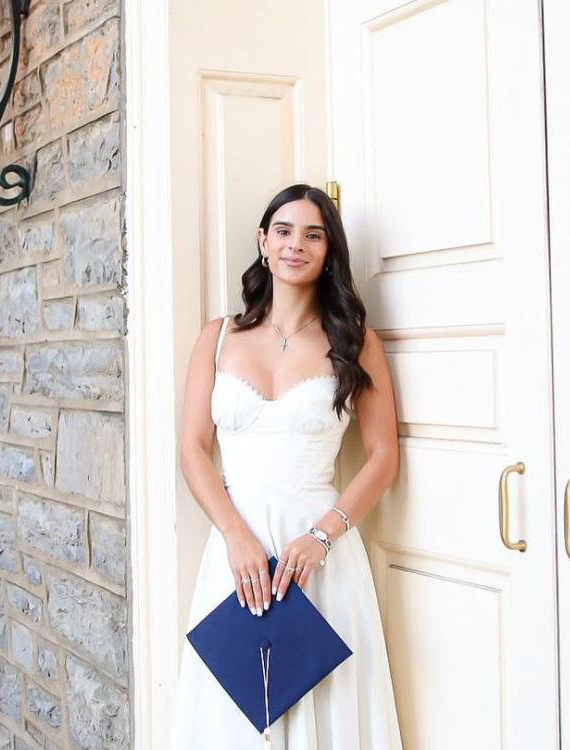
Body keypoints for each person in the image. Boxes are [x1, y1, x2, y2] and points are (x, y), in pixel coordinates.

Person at [171, 183, 403, 749]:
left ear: (328, 253)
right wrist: (233, 535)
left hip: (318, 549)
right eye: (284, 230)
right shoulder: (219, 336)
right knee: (235, 711)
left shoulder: (354, 341)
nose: (296, 244)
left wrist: (323, 537)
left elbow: (382, 458)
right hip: (237, 549)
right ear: (263, 242)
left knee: (326, 704)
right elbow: (194, 449)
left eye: (313, 234)